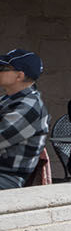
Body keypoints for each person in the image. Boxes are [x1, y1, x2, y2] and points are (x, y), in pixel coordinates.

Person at [0, 49, 49, 189]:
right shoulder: (8, 100)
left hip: (8, 177)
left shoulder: (30, 106)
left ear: (19, 76)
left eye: (3, 68)